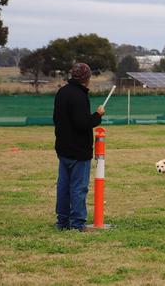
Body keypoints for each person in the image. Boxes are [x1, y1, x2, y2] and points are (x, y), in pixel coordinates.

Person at [53, 63, 105, 232]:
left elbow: (56, 118)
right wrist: (97, 116)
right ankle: (77, 223)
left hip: (63, 149)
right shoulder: (79, 96)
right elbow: (82, 124)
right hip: (78, 151)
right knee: (78, 187)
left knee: (63, 186)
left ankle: (62, 221)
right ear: (87, 78)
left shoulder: (62, 92)